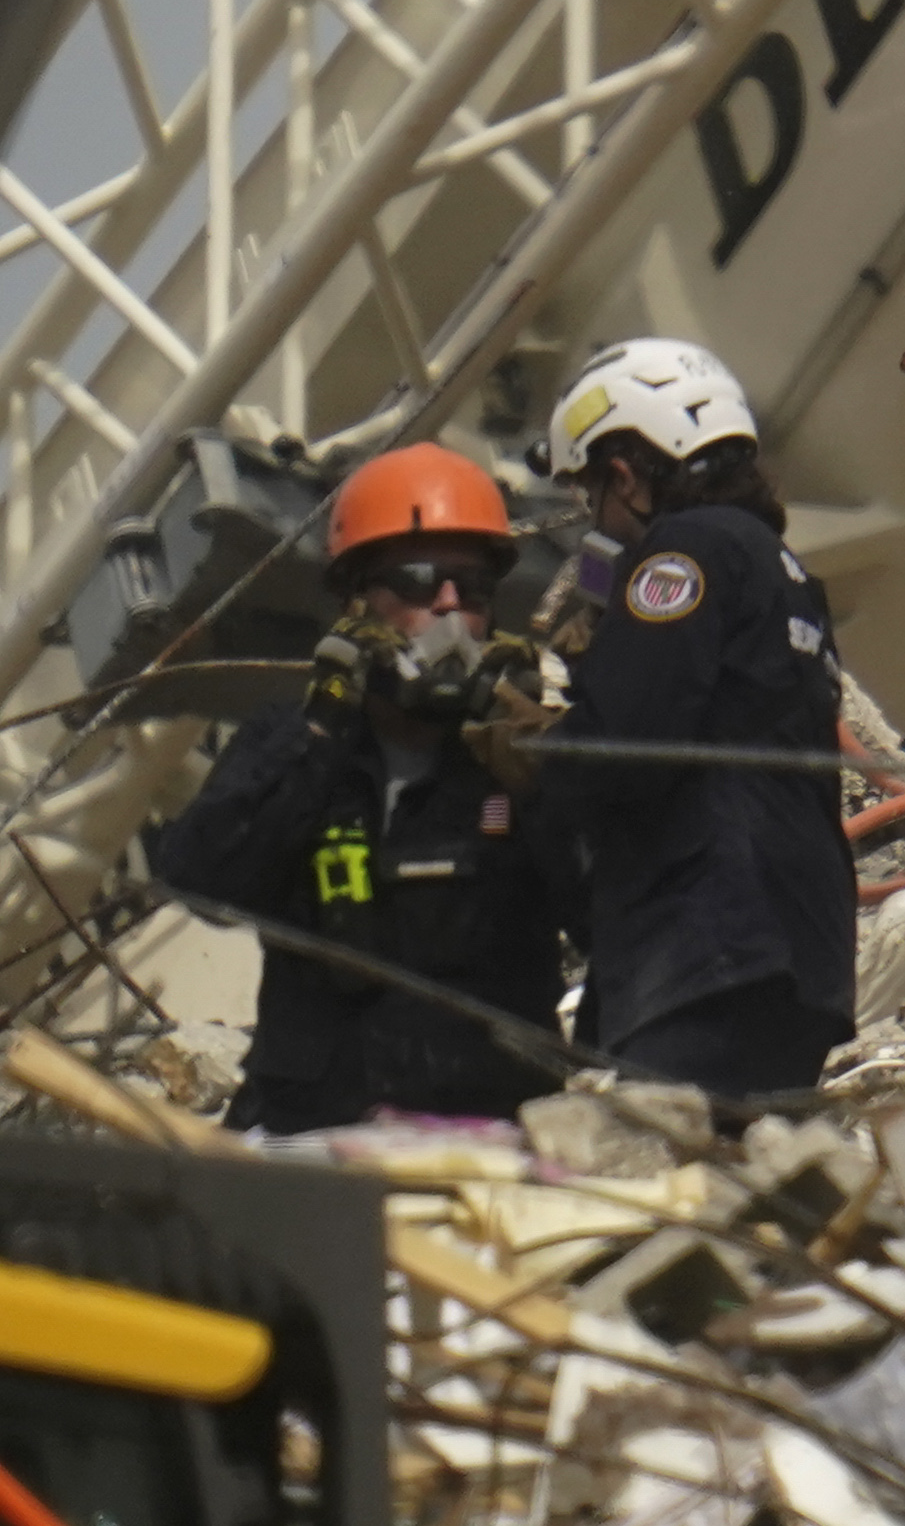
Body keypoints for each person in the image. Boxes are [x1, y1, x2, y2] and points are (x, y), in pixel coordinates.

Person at [142, 445, 571, 1131]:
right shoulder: (298, 741)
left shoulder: (517, 760)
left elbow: (605, 912)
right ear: (356, 601)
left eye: (475, 589)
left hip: (486, 1132)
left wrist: (544, 776)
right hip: (316, 1125)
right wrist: (319, 730)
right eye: (420, 582)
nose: (451, 608)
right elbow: (201, 884)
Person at [504, 341, 853, 1113]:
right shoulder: (778, 566)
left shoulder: (683, 553)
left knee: (674, 1181)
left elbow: (627, 748)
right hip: (798, 948)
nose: (598, 520)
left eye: (593, 490)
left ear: (625, 474)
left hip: (708, 947)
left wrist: (530, 757)